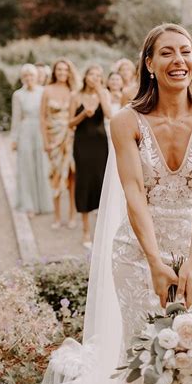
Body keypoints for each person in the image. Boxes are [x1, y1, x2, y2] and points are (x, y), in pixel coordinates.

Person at [40, 24, 192, 384]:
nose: (179, 61)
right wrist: (154, 261)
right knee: (147, 356)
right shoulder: (126, 122)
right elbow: (134, 192)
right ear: (149, 64)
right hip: (138, 255)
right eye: (167, 53)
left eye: (186, 52)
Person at [69, 64, 112, 247]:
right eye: (92, 74)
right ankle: (85, 231)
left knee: (102, 184)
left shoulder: (104, 94)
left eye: (98, 75)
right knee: (84, 183)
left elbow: (110, 115)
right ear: (85, 76)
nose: (95, 78)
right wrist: (83, 115)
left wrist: (101, 94)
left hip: (100, 145)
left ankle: (101, 231)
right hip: (82, 145)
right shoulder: (75, 96)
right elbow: (70, 123)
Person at [40, 58, 79, 230]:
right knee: (55, 176)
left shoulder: (72, 91)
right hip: (53, 138)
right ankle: (57, 217)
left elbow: (72, 120)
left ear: (69, 72)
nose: (62, 73)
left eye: (65, 70)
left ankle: (72, 215)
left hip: (68, 138)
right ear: (54, 72)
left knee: (71, 177)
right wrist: (46, 141)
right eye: (59, 70)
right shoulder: (47, 90)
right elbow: (42, 117)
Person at [11, 64, 52, 217]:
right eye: (26, 76)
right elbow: (16, 118)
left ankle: (44, 203)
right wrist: (14, 139)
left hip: (41, 131)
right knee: (27, 167)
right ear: (22, 78)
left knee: (42, 165)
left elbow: (48, 115)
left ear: (37, 77)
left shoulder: (43, 92)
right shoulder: (18, 95)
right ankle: (29, 205)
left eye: (31, 76)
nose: (29, 79)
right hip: (25, 132)